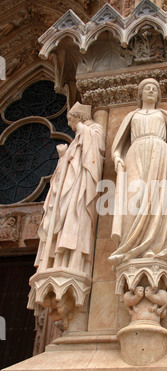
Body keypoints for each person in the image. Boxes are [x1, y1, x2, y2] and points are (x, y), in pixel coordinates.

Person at [108, 78, 167, 266]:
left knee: (159, 199)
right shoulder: (132, 115)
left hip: (160, 152)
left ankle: (156, 247)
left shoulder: (163, 114)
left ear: (158, 95)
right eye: (147, 88)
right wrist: (117, 157)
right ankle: (130, 246)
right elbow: (118, 144)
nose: (151, 91)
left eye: (154, 89)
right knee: (133, 199)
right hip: (135, 153)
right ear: (140, 94)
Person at [34, 102, 105, 276]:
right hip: (69, 188)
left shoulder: (93, 130)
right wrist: (63, 157)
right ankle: (58, 260)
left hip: (80, 188)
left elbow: (96, 151)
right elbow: (71, 166)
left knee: (75, 215)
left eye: (70, 118)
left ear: (80, 117)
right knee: (65, 216)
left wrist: (82, 128)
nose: (68, 123)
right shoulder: (78, 137)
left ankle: (72, 261)